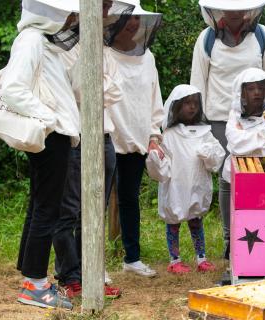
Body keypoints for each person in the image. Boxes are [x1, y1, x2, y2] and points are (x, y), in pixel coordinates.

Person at [51, 0, 134, 299]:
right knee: (69, 211)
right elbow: (75, 90)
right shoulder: (64, 43)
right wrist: (97, 86)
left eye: (109, 6)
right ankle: (70, 277)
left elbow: (116, 89)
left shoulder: (102, 46)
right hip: (74, 135)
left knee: (95, 211)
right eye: (102, 5)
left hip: (104, 133)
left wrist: (95, 86)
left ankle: (92, 275)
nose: (106, 12)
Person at [190, 0, 265, 265]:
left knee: (258, 178)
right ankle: (232, 241)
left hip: (260, 119)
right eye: (229, 8)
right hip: (220, 119)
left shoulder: (262, 37)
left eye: (240, 8)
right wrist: (199, 125)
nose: (235, 13)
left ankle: (258, 236)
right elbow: (198, 82)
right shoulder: (207, 40)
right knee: (229, 179)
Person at [5, 0, 80, 309]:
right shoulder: (32, 40)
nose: (70, 19)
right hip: (51, 136)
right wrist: (49, 118)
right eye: (66, 14)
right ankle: (35, 285)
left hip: (54, 136)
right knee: (48, 209)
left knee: (41, 206)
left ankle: (32, 276)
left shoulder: (40, 42)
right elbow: (13, 89)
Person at [105, 0, 165, 277]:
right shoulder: (102, 54)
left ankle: (132, 258)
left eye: (136, 19)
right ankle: (90, 265)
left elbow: (154, 99)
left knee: (129, 199)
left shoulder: (148, 57)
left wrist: (154, 134)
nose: (133, 23)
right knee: (97, 200)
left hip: (137, 140)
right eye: (128, 18)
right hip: (106, 137)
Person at [145, 85, 225, 274]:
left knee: (196, 220)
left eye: (195, 103)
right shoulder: (169, 135)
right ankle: (175, 261)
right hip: (175, 188)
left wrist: (209, 153)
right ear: (176, 106)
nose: (192, 107)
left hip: (198, 186)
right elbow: (161, 168)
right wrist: (155, 159)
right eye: (187, 103)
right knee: (173, 222)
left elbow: (215, 160)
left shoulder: (205, 132)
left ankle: (202, 258)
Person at [222, 67, 265, 207]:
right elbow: (237, 144)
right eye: (251, 88)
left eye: (261, 88)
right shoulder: (234, 117)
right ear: (242, 92)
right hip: (238, 177)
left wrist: (249, 137)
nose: (257, 92)